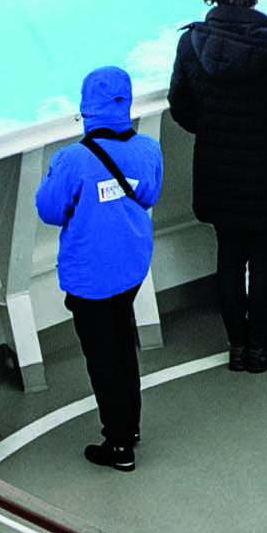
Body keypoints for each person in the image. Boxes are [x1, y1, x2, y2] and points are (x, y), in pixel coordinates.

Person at [166, 0, 267, 373]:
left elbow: (181, 108)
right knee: (264, 258)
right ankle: (261, 345)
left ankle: (237, 345)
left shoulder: (191, 43)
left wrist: (214, 133)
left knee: (228, 255)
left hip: (216, 171)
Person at [33, 62, 166, 470]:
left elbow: (50, 210)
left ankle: (119, 443)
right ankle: (132, 423)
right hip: (131, 264)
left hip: (90, 273)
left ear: (86, 106)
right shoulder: (147, 149)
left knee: (103, 357)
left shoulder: (72, 159)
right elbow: (151, 195)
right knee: (124, 344)